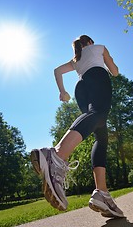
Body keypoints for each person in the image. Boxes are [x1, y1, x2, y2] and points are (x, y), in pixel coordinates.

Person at [30, 35, 124, 218]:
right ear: (89, 42)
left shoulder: (76, 59)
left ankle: (102, 192)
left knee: (101, 136)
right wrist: (112, 65)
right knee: (97, 114)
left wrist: (62, 92)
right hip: (98, 78)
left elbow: (57, 70)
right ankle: (56, 156)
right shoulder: (99, 48)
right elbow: (115, 72)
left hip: (80, 88)